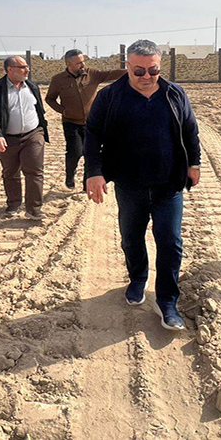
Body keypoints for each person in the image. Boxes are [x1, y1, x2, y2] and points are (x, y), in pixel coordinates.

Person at [85, 39, 200, 331]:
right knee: (131, 238)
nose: (147, 77)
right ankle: (137, 279)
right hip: (130, 183)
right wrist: (94, 172)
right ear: (127, 67)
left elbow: (190, 130)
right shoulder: (110, 96)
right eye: (139, 71)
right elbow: (93, 135)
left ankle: (167, 301)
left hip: (168, 184)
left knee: (170, 243)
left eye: (153, 70)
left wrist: (194, 163)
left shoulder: (174, 94)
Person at [45, 49, 126, 190]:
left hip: (92, 123)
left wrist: (132, 69)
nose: (82, 65)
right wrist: (63, 111)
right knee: (75, 152)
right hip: (71, 122)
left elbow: (111, 74)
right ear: (69, 64)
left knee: (90, 153)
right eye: (78, 63)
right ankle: (70, 176)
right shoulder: (58, 80)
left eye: (83, 61)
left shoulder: (92, 74)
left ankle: (86, 183)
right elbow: (50, 99)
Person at [0, 56, 49, 217]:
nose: (27, 70)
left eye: (27, 67)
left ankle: (34, 209)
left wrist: (41, 127)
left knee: (34, 170)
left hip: (33, 134)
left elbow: (38, 109)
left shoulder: (32, 86)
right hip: (8, 138)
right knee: (10, 172)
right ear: (10, 70)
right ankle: (13, 204)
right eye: (22, 67)